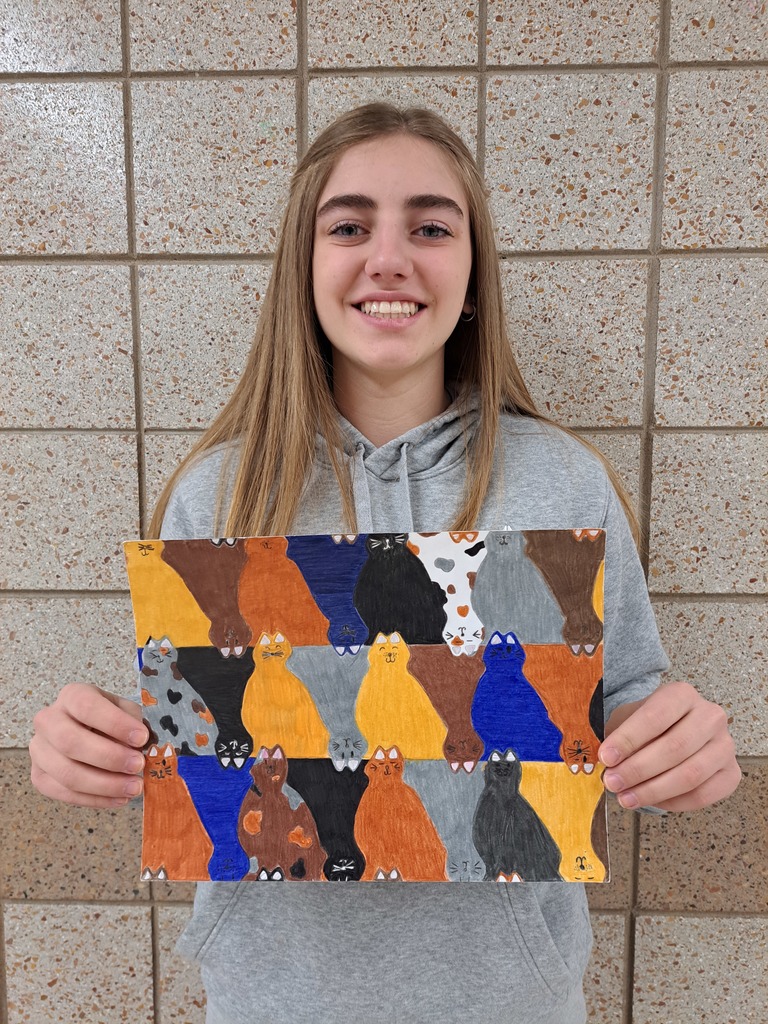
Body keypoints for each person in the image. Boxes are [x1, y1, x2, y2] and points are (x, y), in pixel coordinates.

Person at [29, 103, 740, 1024]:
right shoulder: (218, 494)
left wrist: (679, 750)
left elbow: (626, 702)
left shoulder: (566, 481)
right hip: (270, 1002)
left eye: (432, 228)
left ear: (474, 274)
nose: (390, 258)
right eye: (349, 227)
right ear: (304, 267)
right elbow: (188, 732)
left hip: (512, 1002)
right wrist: (95, 748)